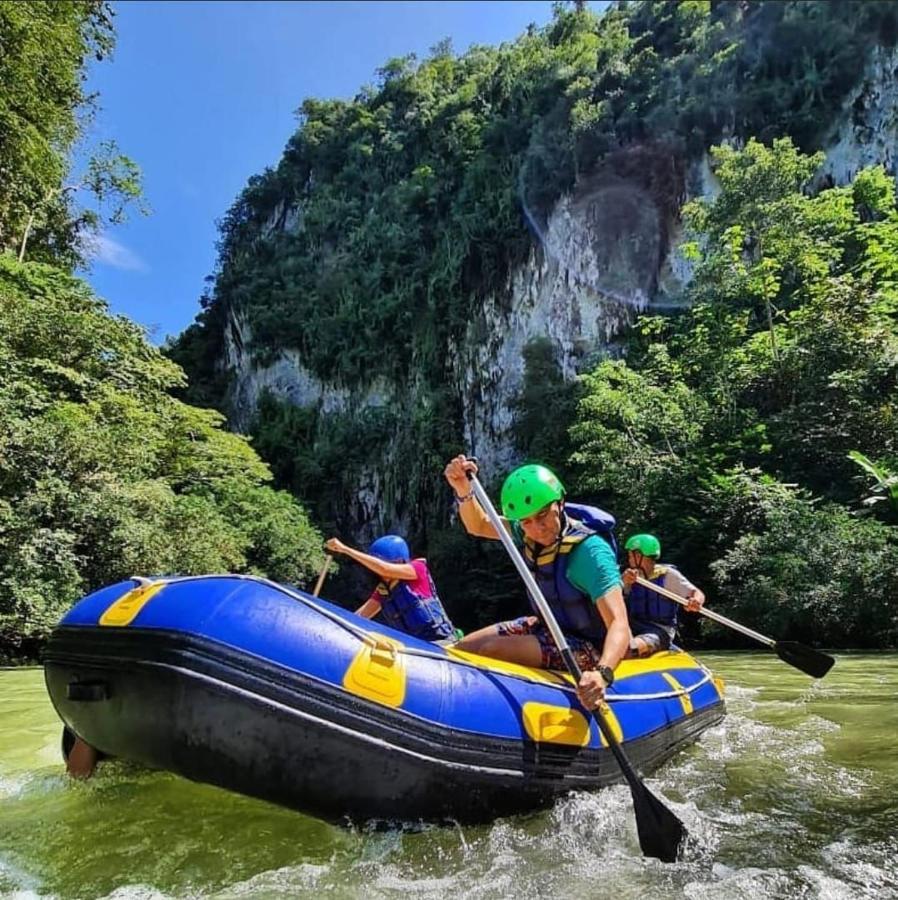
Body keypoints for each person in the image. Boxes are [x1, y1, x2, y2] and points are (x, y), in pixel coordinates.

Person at [443, 455, 631, 710]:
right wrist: (464, 491)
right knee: (463, 647)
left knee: (490, 650)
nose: (537, 528)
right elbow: (478, 525)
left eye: (543, 515)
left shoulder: (591, 552)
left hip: (589, 645)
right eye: (527, 521)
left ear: (560, 503)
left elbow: (619, 624)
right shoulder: (526, 532)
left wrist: (603, 674)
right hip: (547, 627)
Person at [324, 534, 458, 643]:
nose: (375, 570)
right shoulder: (384, 590)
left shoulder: (418, 569)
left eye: (379, 561)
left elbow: (385, 569)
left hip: (440, 641)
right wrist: (335, 628)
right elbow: (361, 616)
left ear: (399, 562)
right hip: (415, 646)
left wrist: (345, 549)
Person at [622, 533, 706, 657]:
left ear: (639, 555)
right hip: (633, 626)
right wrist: (623, 582)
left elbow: (696, 593)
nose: (629, 560)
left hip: (660, 631)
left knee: (630, 649)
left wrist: (696, 601)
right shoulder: (629, 577)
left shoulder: (668, 576)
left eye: (630, 556)